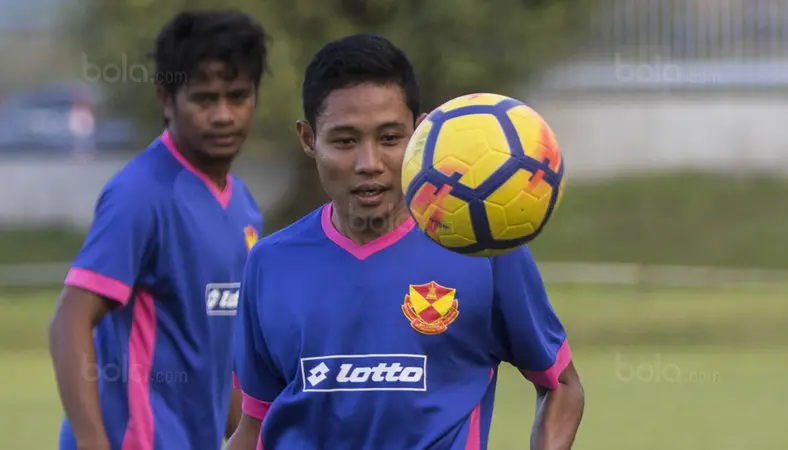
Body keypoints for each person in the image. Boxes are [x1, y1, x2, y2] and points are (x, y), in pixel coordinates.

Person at [226, 34, 585, 450]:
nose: (369, 163)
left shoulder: (482, 249)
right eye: (344, 141)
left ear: (420, 133)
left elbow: (561, 385)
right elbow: (255, 426)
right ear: (309, 139)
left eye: (390, 138)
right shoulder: (270, 263)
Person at [48, 10, 268, 450]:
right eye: (204, 99)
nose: (223, 115)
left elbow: (214, 357)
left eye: (238, 96)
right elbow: (69, 320)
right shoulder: (141, 193)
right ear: (167, 99)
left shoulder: (243, 207)